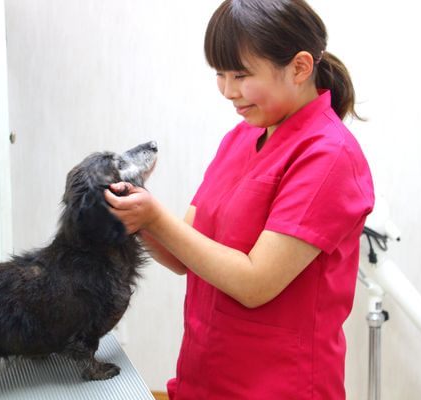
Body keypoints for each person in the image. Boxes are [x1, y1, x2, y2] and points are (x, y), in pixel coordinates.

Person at [104, 0, 374, 398]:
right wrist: (131, 212)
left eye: (241, 75)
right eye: (220, 74)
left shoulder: (328, 155)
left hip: (278, 385)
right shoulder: (241, 137)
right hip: (205, 374)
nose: (228, 91)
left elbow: (255, 283)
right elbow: (183, 256)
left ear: (300, 67)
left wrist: (153, 216)